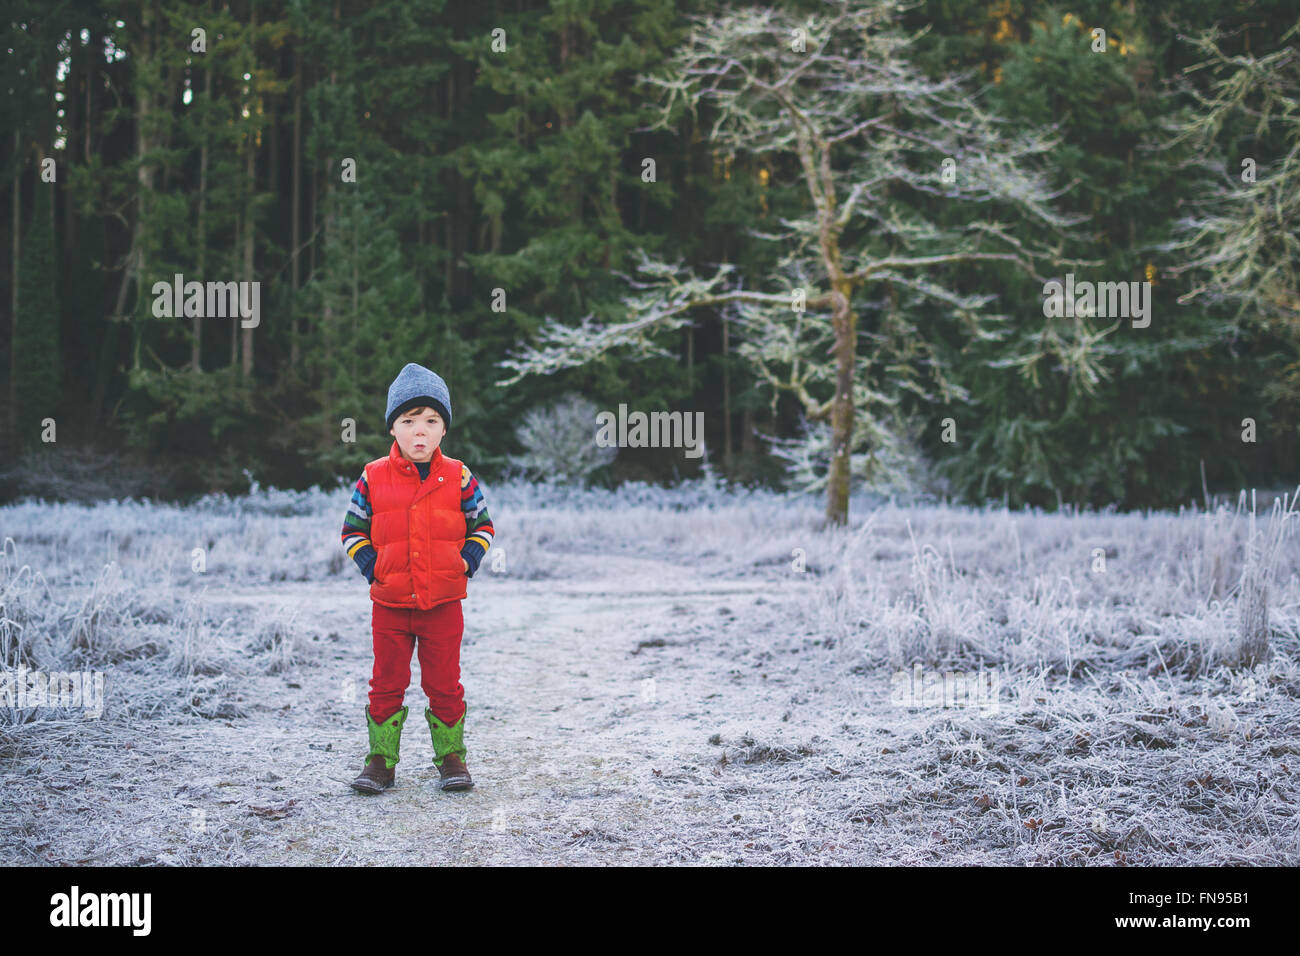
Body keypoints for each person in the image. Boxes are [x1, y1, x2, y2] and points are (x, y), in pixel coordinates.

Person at [339, 362, 494, 793]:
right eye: (409, 421)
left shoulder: (458, 475)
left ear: (444, 429)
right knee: (386, 683)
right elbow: (352, 530)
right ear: (394, 429)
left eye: (431, 421)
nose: (419, 431)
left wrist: (466, 560)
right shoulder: (373, 476)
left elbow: (483, 526)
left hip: (443, 604)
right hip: (389, 605)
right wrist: (374, 566)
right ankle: (380, 762)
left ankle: (451, 759)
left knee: (444, 684)